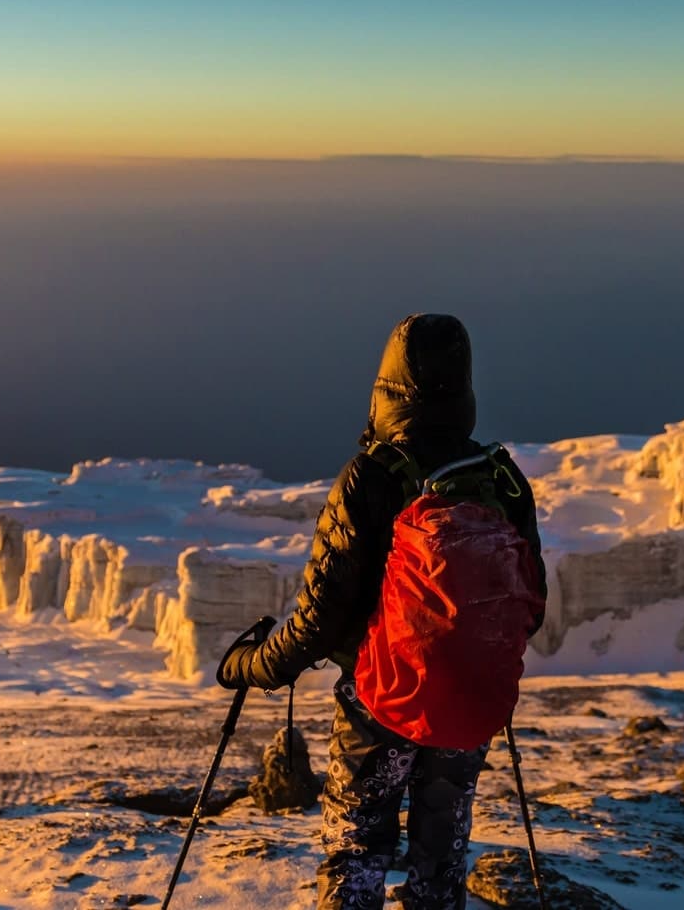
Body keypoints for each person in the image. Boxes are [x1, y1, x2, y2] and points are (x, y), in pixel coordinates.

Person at [218, 312, 546, 910]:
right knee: (441, 860)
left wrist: (250, 666)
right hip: (467, 706)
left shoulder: (370, 477)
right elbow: (531, 608)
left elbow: (321, 618)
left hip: (382, 701)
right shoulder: (501, 479)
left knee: (356, 855)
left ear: (388, 388)